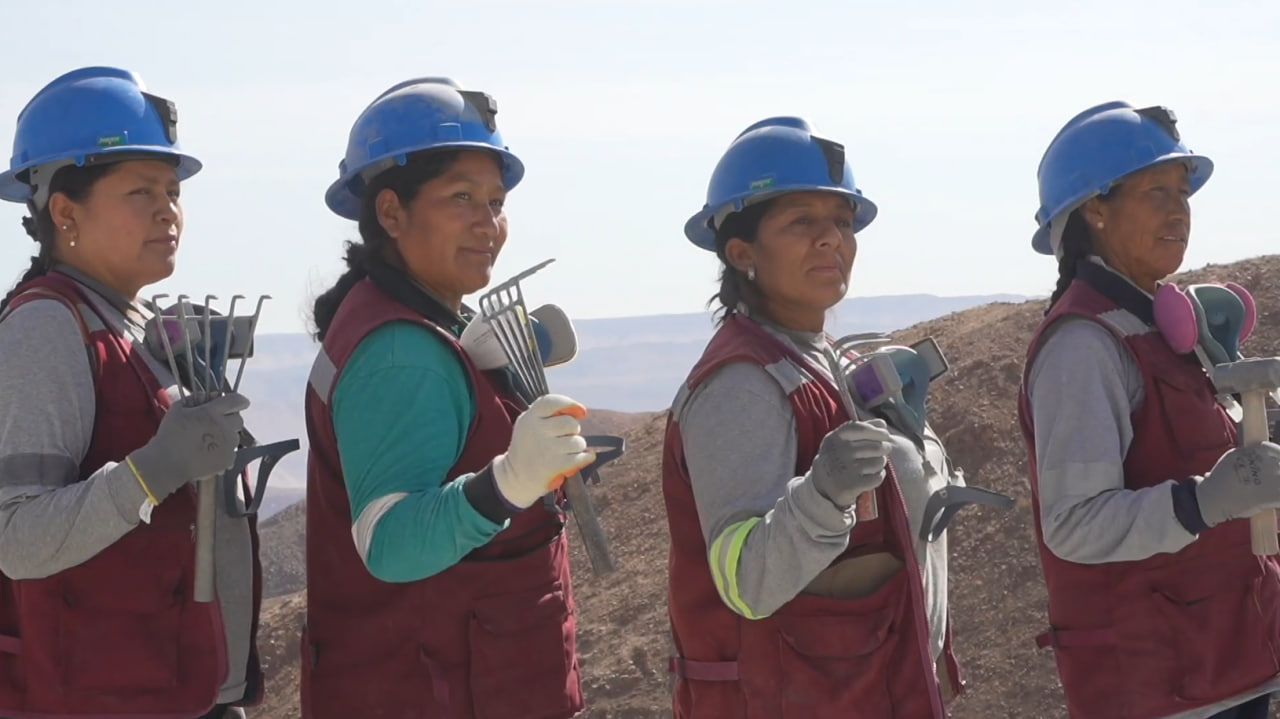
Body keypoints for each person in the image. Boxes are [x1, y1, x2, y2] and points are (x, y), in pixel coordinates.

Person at [301, 77, 598, 719]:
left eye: (495, 201)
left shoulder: (417, 324)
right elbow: (389, 541)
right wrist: (510, 481)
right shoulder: (400, 354)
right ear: (390, 212)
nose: (487, 223)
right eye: (460, 197)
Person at [662, 116, 968, 718]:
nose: (832, 238)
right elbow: (747, 582)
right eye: (803, 221)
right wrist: (824, 494)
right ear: (742, 251)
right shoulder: (741, 385)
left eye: (842, 221)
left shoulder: (829, 361)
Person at [0, 67, 262, 718]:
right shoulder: (47, 327)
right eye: (140, 190)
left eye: (172, 190)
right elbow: (17, 538)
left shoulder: (126, 320)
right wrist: (154, 470)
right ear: (65, 211)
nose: (167, 208)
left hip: (167, 690)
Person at [1019, 101, 1280, 719]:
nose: (1178, 209)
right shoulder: (1083, 346)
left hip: (1224, 669)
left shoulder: (1160, 326)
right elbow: (1075, 523)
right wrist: (1201, 502)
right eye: (1154, 191)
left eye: (1183, 191)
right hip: (1156, 690)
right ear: (1094, 208)